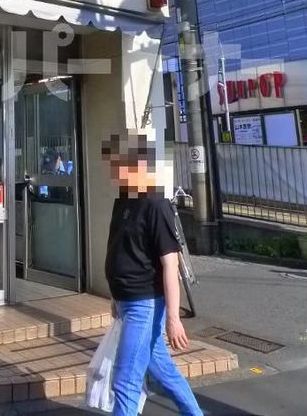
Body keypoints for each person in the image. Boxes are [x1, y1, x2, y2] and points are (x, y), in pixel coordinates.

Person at [103, 133, 202, 416]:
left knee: (125, 382)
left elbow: (171, 263)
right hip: (127, 300)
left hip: (144, 304)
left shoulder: (156, 204)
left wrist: (173, 318)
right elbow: (119, 248)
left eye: (120, 165)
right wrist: (115, 296)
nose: (115, 172)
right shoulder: (123, 199)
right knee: (163, 371)